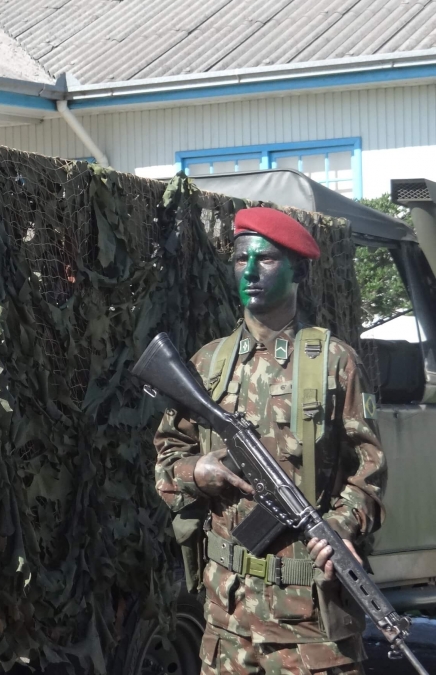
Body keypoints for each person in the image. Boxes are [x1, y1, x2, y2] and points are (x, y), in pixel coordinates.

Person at [154, 207, 386, 675]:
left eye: (267, 260)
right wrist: (199, 472)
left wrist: (340, 527)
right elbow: (167, 461)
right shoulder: (209, 363)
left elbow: (370, 473)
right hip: (227, 620)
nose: (251, 272)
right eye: (242, 260)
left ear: (298, 270)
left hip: (310, 627)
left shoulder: (332, 363)